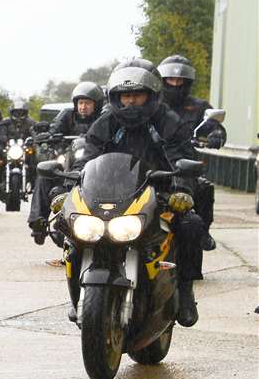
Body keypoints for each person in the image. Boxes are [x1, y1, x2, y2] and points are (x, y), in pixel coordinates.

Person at [83, 59, 206, 326]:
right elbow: (87, 158)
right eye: (125, 96)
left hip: (158, 193)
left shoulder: (167, 121)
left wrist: (182, 189)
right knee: (68, 223)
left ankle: (185, 291)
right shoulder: (106, 122)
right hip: (109, 195)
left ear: (151, 95)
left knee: (191, 225)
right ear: (116, 97)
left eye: (137, 95)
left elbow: (182, 157)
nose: (130, 102)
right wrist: (67, 185)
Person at [158, 55, 223, 246]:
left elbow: (213, 124)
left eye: (180, 81)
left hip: (184, 166)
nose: (176, 84)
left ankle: (202, 232)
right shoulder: (153, 105)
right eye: (171, 80)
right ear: (163, 81)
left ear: (187, 82)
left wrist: (216, 134)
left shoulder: (198, 106)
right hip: (152, 161)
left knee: (203, 188)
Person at [30, 82, 103, 242]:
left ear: (96, 105)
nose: (83, 107)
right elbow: (54, 129)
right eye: (80, 103)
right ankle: (37, 222)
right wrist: (47, 135)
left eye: (88, 103)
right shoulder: (67, 115)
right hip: (68, 162)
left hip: (97, 166)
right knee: (45, 175)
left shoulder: (104, 118)